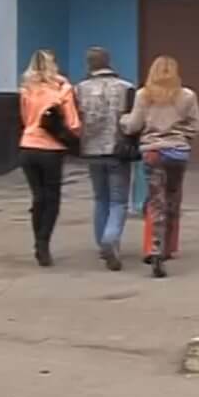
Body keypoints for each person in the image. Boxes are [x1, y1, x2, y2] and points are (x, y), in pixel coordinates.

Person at [121, 56, 199, 278]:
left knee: (156, 200)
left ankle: (154, 248)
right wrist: (180, 134)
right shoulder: (187, 96)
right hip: (178, 153)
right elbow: (195, 127)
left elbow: (133, 125)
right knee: (173, 198)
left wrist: (123, 120)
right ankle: (168, 247)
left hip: (153, 152)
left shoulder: (143, 95)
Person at [19, 49, 81, 266]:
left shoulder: (26, 90)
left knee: (38, 197)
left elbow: (26, 119)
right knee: (52, 198)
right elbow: (73, 123)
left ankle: (38, 241)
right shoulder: (62, 90)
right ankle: (43, 243)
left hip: (27, 146)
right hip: (51, 150)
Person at [75, 47, 134, 272]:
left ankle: (102, 244)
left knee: (100, 198)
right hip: (118, 151)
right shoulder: (126, 88)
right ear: (109, 61)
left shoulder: (79, 89)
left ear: (89, 64)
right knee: (118, 201)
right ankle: (111, 238)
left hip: (91, 150)